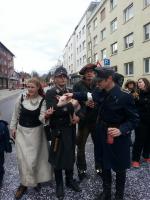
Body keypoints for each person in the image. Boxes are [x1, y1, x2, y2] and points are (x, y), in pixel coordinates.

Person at [64, 67, 139, 200]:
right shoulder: (101, 90)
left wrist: (121, 130)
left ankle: (119, 196)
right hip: (102, 132)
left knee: (120, 167)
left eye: (100, 81)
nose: (97, 84)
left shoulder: (124, 96)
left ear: (109, 79)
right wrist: (73, 95)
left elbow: (134, 120)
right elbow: (89, 95)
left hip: (118, 136)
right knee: (105, 164)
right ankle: (107, 193)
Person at [10, 78, 53, 199]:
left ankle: (35, 180)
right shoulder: (21, 98)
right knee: (23, 160)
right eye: (28, 86)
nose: (29, 89)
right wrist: (13, 128)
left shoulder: (42, 101)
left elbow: (41, 119)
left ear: (38, 88)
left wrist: (46, 115)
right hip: (22, 133)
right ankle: (24, 184)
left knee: (35, 160)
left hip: (36, 134)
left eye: (32, 87)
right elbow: (15, 114)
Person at [45, 66, 81, 200]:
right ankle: (59, 184)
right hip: (58, 130)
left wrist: (79, 116)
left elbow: (80, 107)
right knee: (58, 156)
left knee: (71, 154)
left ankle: (70, 180)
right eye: (59, 77)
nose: (62, 79)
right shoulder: (50, 93)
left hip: (70, 128)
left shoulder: (71, 91)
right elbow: (53, 110)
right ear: (54, 79)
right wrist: (67, 107)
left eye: (64, 76)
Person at [73, 63, 101, 180]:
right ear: (84, 73)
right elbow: (74, 101)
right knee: (80, 146)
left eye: (92, 72)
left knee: (99, 146)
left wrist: (96, 103)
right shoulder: (78, 85)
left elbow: (103, 99)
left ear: (95, 73)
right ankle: (82, 169)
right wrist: (84, 103)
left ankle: (99, 168)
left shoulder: (99, 84)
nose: (90, 73)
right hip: (83, 120)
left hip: (97, 120)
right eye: (87, 72)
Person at [132, 78, 150, 168]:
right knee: (139, 140)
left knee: (148, 140)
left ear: (145, 83)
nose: (138, 84)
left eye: (140, 82)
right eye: (138, 82)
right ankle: (135, 159)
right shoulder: (136, 94)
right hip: (140, 121)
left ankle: (146, 155)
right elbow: (133, 108)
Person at [0, 113, 12, 188]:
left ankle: (0, 179)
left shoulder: (2, 125)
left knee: (0, 165)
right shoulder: (2, 125)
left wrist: (8, 147)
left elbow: (6, 138)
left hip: (0, 150)